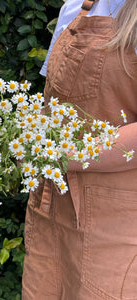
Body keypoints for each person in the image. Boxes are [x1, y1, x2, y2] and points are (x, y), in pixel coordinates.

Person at [22, 0, 137, 299]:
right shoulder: (76, 7)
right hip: (49, 207)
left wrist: (61, 153)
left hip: (114, 224)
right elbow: (53, 103)